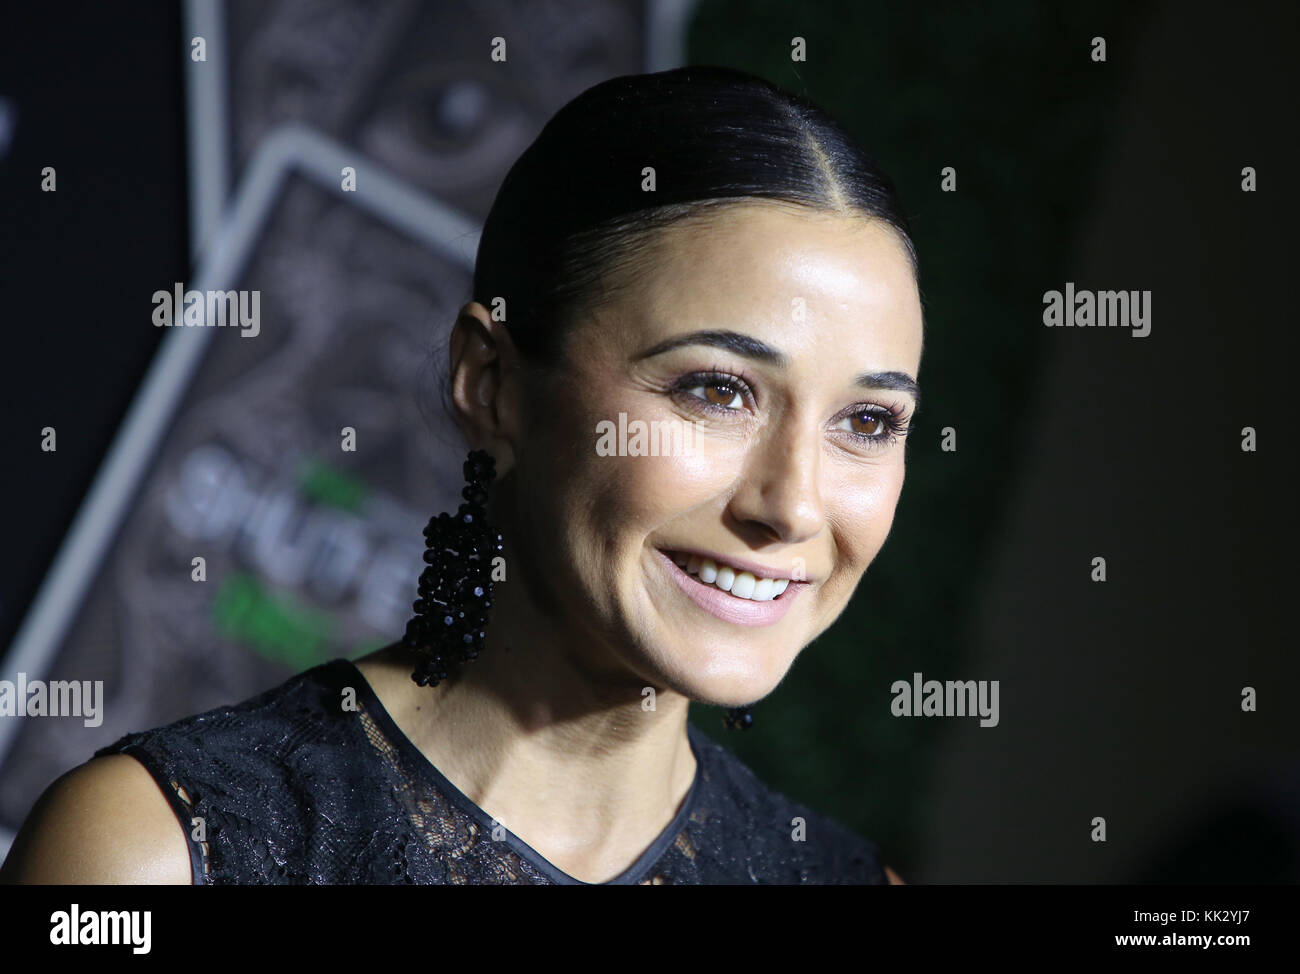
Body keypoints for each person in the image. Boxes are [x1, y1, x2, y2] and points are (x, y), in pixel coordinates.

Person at [1, 65, 921, 885]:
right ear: (492, 383)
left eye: (868, 421)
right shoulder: (151, 855)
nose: (792, 503)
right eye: (718, 391)